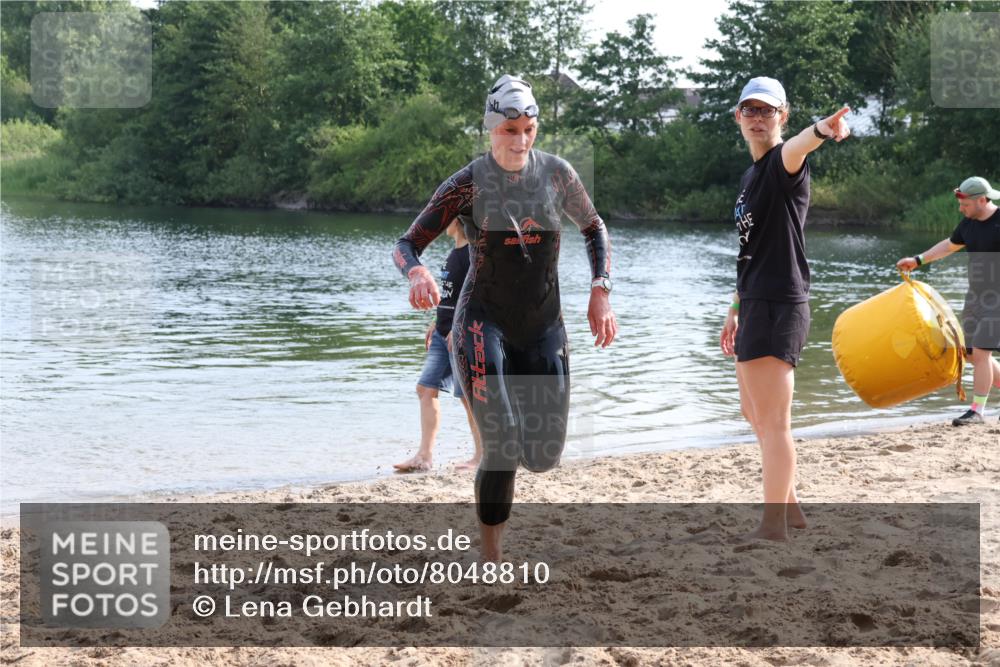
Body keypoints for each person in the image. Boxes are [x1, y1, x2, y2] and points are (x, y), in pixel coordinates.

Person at [392, 74, 616, 561]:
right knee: (500, 443)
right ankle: (491, 553)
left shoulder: (557, 174)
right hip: (481, 323)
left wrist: (601, 288)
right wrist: (416, 274)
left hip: (543, 327)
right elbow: (407, 243)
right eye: (508, 129)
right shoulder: (467, 184)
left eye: (528, 129)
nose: (519, 139)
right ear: (490, 128)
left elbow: (594, 227)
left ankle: (503, 488)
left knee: (542, 456)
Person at [719, 76, 851, 541]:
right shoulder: (750, 175)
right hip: (756, 300)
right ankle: (791, 507)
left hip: (781, 301)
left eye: (767, 111)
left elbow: (798, 148)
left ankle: (772, 525)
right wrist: (735, 306)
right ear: (737, 116)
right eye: (750, 110)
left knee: (774, 423)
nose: (758, 118)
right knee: (752, 413)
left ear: (783, 115)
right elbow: (749, 246)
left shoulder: (781, 163)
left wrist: (821, 129)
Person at [896, 176, 1000, 425]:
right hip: (976, 296)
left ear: (982, 200)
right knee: (973, 354)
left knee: (983, 352)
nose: (960, 209)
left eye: (965, 205)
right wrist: (918, 260)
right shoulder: (968, 224)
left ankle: (977, 411)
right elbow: (950, 246)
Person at [394, 219, 484, 472]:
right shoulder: (456, 252)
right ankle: (424, 457)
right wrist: (437, 321)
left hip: (461, 335)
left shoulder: (473, 254)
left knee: (469, 398)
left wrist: (460, 328)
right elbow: (452, 296)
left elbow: (479, 297)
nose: (444, 222)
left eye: (449, 217)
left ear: (459, 221)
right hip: (441, 333)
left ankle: (481, 456)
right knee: (425, 388)